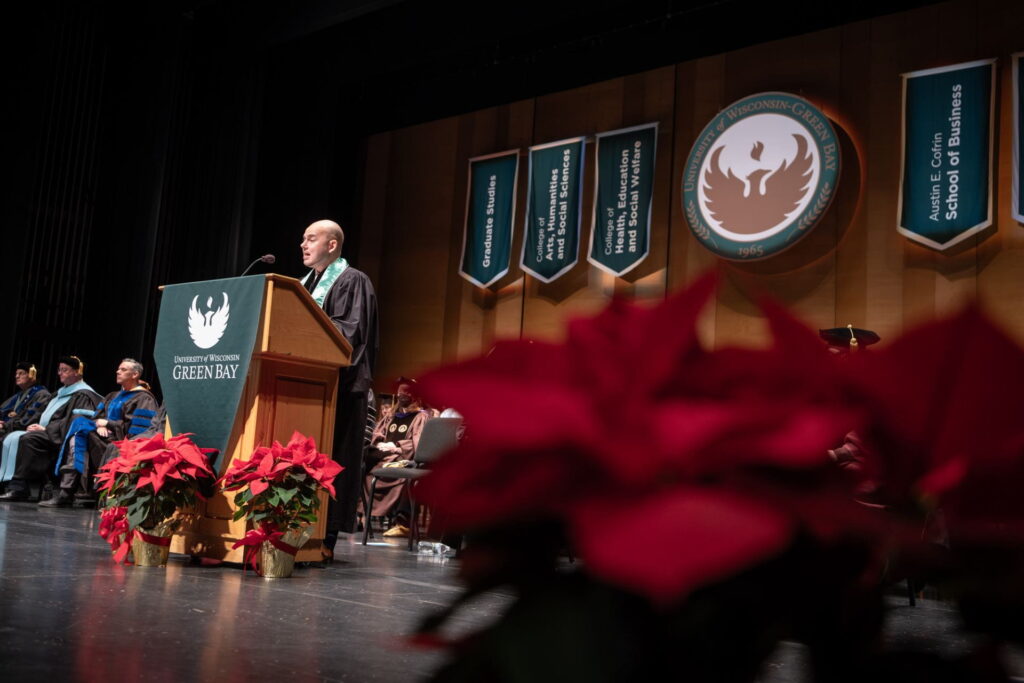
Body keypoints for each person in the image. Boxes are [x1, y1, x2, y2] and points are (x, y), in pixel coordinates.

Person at [299, 219, 380, 553]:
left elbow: (350, 333)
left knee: (336, 460)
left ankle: (326, 536)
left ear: (332, 245)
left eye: (311, 239)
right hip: (308, 387)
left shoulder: (352, 280)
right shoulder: (303, 285)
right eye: (302, 239)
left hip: (341, 389)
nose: (303, 245)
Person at [48, 358, 159, 507]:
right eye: (118, 369)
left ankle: (71, 491)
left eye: (123, 370)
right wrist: (97, 424)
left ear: (135, 374)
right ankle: (73, 490)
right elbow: (97, 417)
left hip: (121, 444)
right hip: (101, 438)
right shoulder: (112, 396)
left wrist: (109, 424)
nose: (118, 371)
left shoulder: (144, 398)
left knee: (82, 430)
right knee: (80, 426)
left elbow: (140, 432)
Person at [0, 356, 101, 502]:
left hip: (61, 435)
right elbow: (40, 412)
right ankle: (10, 484)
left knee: (28, 439)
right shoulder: (59, 393)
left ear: (76, 372)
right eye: (59, 370)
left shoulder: (84, 394)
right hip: (45, 431)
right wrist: (29, 424)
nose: (60, 373)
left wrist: (46, 429)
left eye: (65, 370)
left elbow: (74, 421)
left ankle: (20, 487)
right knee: (13, 436)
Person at [361, 378, 430, 537]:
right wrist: (378, 443)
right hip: (383, 456)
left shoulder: (421, 416)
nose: (401, 395)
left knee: (395, 472)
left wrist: (397, 446)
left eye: (405, 392)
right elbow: (378, 432)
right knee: (365, 462)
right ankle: (360, 516)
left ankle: (402, 523)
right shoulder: (392, 415)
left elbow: (418, 443)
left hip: (401, 458)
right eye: (399, 392)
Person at [0, 362, 50, 436]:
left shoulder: (42, 394)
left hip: (20, 431)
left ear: (32, 375)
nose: (17, 376)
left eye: (21, 373)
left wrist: (4, 425)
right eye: (16, 374)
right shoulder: (19, 395)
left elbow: (28, 420)